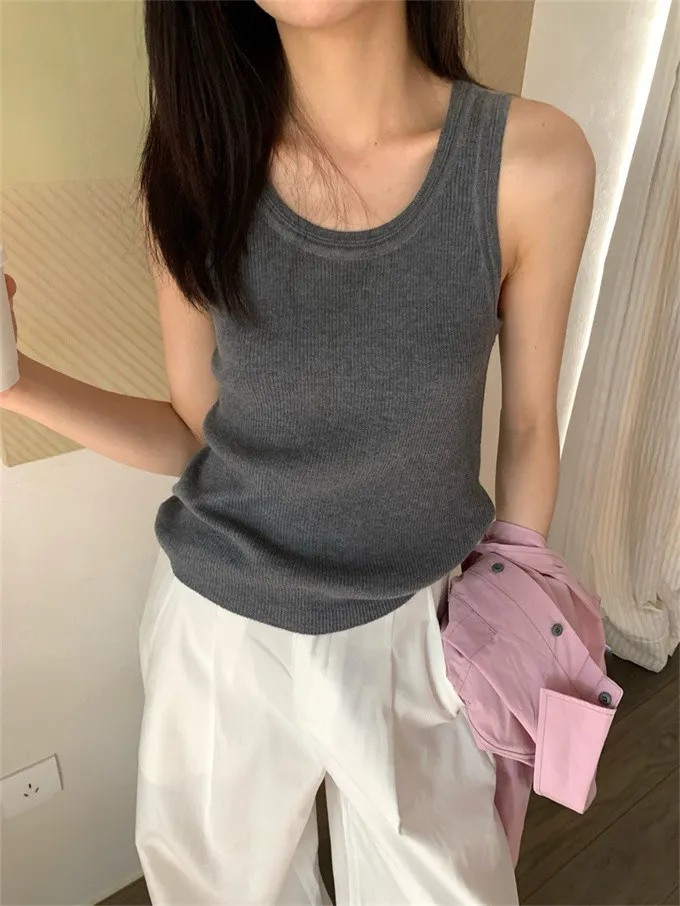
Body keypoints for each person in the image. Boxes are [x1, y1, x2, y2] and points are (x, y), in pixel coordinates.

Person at [1, 1, 596, 902]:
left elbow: (527, 426)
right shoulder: (197, 167)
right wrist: (14, 384)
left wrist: (512, 604)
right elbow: (198, 430)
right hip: (220, 631)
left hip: (421, 627)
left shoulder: (531, 161)